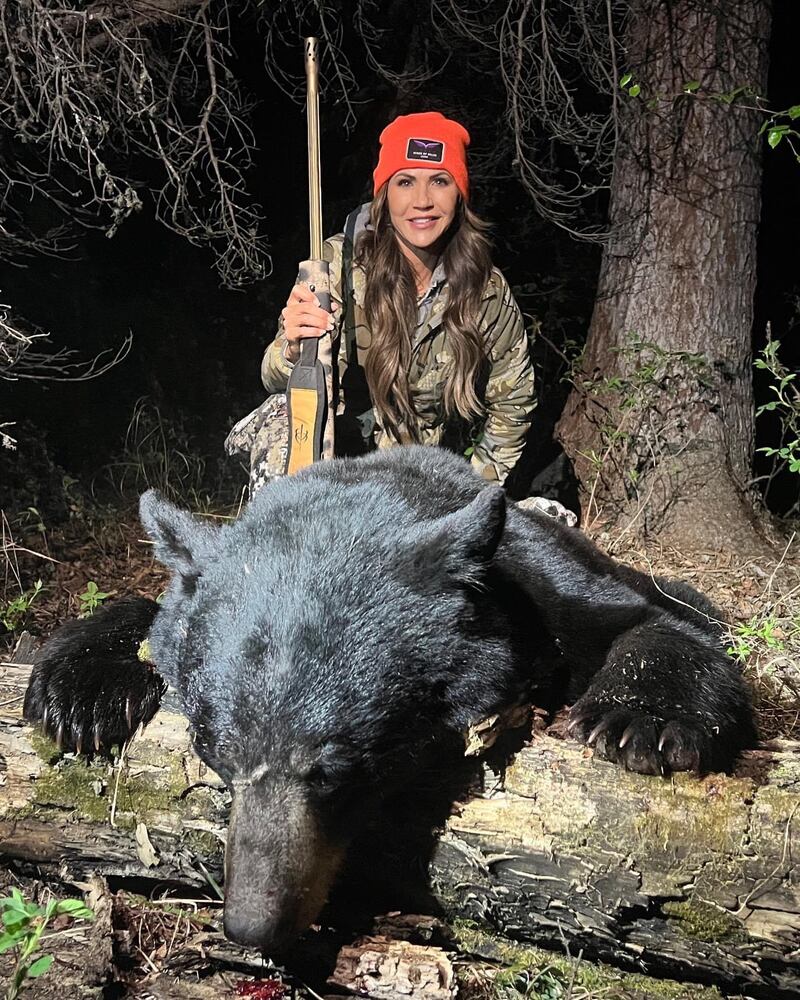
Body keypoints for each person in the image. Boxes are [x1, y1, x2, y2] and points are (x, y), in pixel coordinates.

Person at [227, 111, 537, 491]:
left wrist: (469, 494)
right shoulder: (335, 267)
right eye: (405, 182)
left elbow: (514, 403)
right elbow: (272, 376)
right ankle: (284, 539)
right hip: (336, 465)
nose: (422, 201)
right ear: (385, 194)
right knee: (281, 414)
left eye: (440, 181)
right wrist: (293, 350)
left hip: (418, 482)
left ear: (459, 194)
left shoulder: (485, 290)